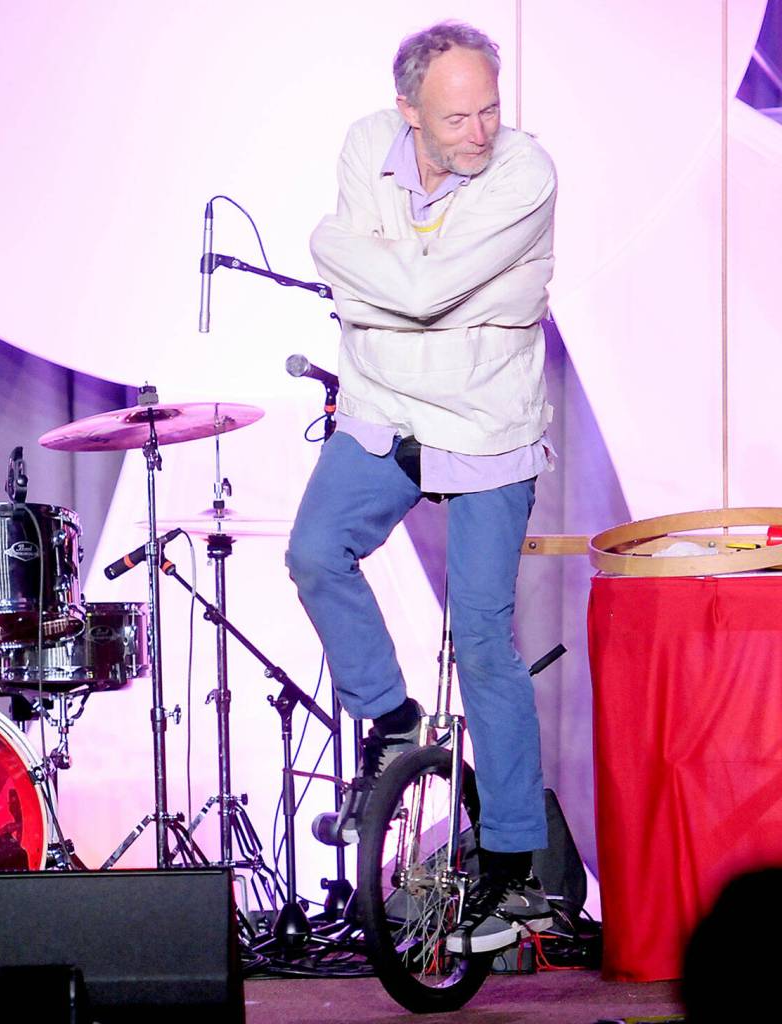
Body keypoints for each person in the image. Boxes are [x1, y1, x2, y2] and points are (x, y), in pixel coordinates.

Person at [286, 20, 557, 956]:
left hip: (486, 422)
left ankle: (515, 866)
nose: (482, 130)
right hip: (383, 409)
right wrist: (410, 293)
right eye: (458, 116)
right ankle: (395, 721)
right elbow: (419, 294)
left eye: (490, 107)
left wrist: (372, 279)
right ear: (410, 110)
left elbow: (421, 294)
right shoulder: (369, 142)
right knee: (315, 554)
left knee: (482, 636)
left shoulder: (526, 173)